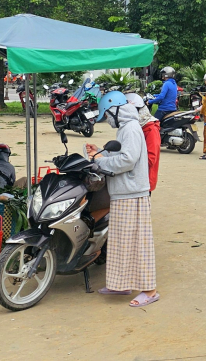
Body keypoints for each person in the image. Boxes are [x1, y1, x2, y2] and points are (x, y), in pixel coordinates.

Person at [86, 91, 158, 307]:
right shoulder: (125, 128)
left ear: (116, 109)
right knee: (119, 243)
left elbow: (127, 160)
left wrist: (100, 162)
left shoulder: (132, 129)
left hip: (132, 194)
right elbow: (121, 155)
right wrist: (100, 152)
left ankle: (150, 290)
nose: (107, 119)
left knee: (138, 243)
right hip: (122, 193)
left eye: (107, 114)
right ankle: (121, 284)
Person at [126, 92, 161, 192]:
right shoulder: (137, 127)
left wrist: (127, 164)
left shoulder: (151, 129)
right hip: (135, 180)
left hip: (144, 181)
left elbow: (151, 158)